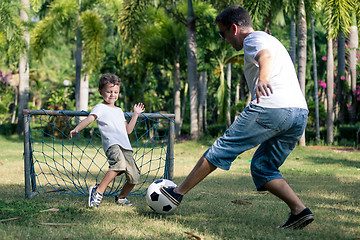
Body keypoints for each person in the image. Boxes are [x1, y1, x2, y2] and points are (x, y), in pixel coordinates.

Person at [161, 5, 314, 229]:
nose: (223, 40)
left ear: (234, 28)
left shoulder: (254, 39)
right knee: (263, 168)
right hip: (299, 113)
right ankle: (300, 211)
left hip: (272, 108)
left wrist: (262, 78)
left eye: (222, 34)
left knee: (221, 149)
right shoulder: (270, 39)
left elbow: (265, 57)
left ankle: (177, 193)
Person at [69, 73, 145, 208]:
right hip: (112, 144)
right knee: (119, 164)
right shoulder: (100, 107)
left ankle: (121, 198)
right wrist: (77, 129)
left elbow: (128, 130)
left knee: (134, 176)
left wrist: (135, 114)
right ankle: (97, 192)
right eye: (109, 91)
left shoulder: (119, 110)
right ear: (100, 92)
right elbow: (89, 119)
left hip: (125, 146)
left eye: (115, 92)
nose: (112, 95)